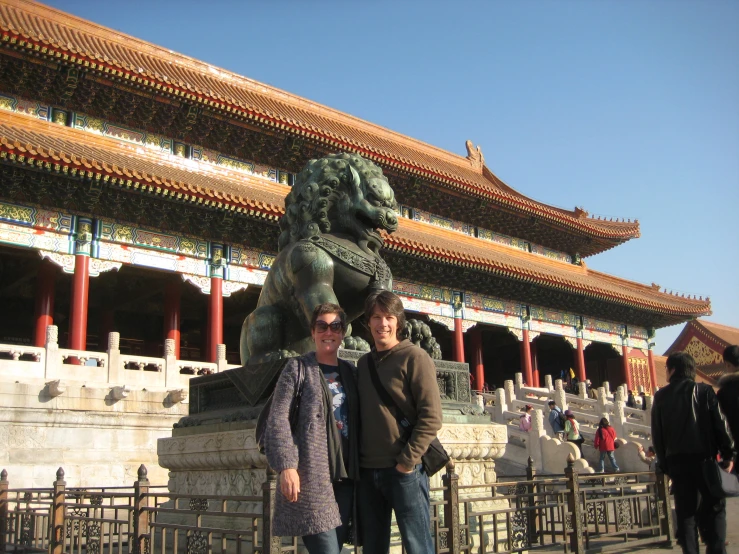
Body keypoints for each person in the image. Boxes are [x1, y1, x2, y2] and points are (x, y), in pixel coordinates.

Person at [264, 303, 360, 554]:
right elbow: (277, 418)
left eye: (335, 326)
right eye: (322, 326)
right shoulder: (297, 369)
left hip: (346, 478)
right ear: (313, 331)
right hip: (313, 479)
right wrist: (287, 465)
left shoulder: (351, 371)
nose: (328, 332)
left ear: (343, 332)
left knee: (335, 548)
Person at [357, 290, 442, 554]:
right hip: (369, 472)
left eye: (389, 317)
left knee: (417, 546)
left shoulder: (415, 357)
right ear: (368, 322)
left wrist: (407, 461)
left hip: (404, 471)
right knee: (373, 547)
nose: (382, 323)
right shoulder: (363, 364)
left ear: (398, 322)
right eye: (376, 317)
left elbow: (431, 416)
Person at [652, 351, 735, 554]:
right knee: (715, 508)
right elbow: (720, 425)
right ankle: (716, 549)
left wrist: (664, 465)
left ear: (672, 370)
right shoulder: (704, 391)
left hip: (677, 463)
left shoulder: (661, 396)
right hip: (705, 459)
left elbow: (658, 435)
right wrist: (728, 454)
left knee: (686, 513)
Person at [717, 345, 739, 464]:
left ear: (727, 364)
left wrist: (728, 455)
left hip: (734, 456)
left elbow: (721, 426)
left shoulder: (724, 393)